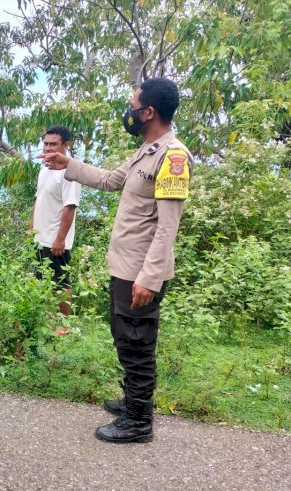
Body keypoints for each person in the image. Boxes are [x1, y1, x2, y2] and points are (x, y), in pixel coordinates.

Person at [41, 77, 192, 443]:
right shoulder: (147, 151)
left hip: (141, 271)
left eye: (133, 105)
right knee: (125, 337)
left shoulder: (173, 157)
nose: (130, 112)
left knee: (138, 343)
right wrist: (68, 164)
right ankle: (132, 401)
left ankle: (138, 422)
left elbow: (167, 227)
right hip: (125, 267)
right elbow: (110, 180)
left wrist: (150, 278)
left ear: (149, 111)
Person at [30, 126, 81, 316]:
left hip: (56, 240)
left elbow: (70, 207)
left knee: (60, 282)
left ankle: (63, 323)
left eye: (54, 144)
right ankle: (47, 318)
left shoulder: (69, 173)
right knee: (42, 279)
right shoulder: (45, 167)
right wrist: (32, 227)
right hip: (40, 237)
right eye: (45, 144)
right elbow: (39, 198)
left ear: (65, 146)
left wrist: (60, 239)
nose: (48, 148)